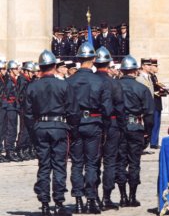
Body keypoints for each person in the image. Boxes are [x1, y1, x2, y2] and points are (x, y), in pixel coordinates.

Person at [24, 49, 80, 216]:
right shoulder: (63, 85)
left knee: (44, 166)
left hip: (40, 127)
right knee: (59, 165)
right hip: (59, 127)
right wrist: (73, 129)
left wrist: (33, 132)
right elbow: (73, 110)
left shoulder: (32, 86)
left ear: (40, 67)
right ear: (55, 66)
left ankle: (45, 202)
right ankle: (59, 201)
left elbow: (27, 113)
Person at [67, 42, 112, 214]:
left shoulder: (69, 81)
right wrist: (105, 128)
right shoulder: (100, 81)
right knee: (92, 163)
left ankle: (78, 200)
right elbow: (107, 109)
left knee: (77, 164)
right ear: (93, 59)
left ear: (78, 59)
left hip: (76, 124)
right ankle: (91, 200)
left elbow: (66, 106)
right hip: (94, 123)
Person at [115, 55, 154, 207]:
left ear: (123, 71)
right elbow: (149, 114)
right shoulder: (142, 88)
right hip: (136, 127)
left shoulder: (113, 86)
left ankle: (123, 196)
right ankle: (132, 196)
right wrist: (147, 132)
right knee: (134, 163)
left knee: (120, 162)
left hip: (119, 127)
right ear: (135, 71)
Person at [94, 46, 125, 211]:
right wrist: (122, 127)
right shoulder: (114, 83)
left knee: (93, 162)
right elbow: (120, 108)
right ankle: (106, 197)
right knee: (110, 161)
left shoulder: (92, 80)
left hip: (94, 123)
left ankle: (94, 197)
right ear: (108, 64)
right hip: (112, 124)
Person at [16, 61, 36, 161]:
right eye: (31, 72)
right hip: (24, 108)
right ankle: (20, 149)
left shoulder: (29, 80)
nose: (33, 74)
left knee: (29, 130)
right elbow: (20, 95)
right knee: (24, 130)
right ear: (26, 71)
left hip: (29, 108)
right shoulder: (22, 80)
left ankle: (26, 148)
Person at [4, 60, 21, 162]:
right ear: (10, 70)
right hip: (10, 107)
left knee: (13, 129)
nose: (17, 70)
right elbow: (5, 95)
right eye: (15, 69)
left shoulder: (14, 80)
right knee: (11, 129)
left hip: (14, 107)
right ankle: (9, 151)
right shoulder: (9, 81)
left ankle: (10, 150)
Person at [149, 58, 167, 149]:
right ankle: (153, 142)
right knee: (154, 123)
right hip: (154, 103)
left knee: (157, 123)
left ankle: (155, 141)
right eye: (155, 66)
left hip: (157, 102)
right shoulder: (150, 77)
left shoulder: (154, 76)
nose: (157, 67)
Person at [0, 60, 8, 162]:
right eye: (3, 69)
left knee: (3, 130)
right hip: (1, 106)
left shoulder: (4, 79)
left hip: (3, 106)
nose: (5, 71)